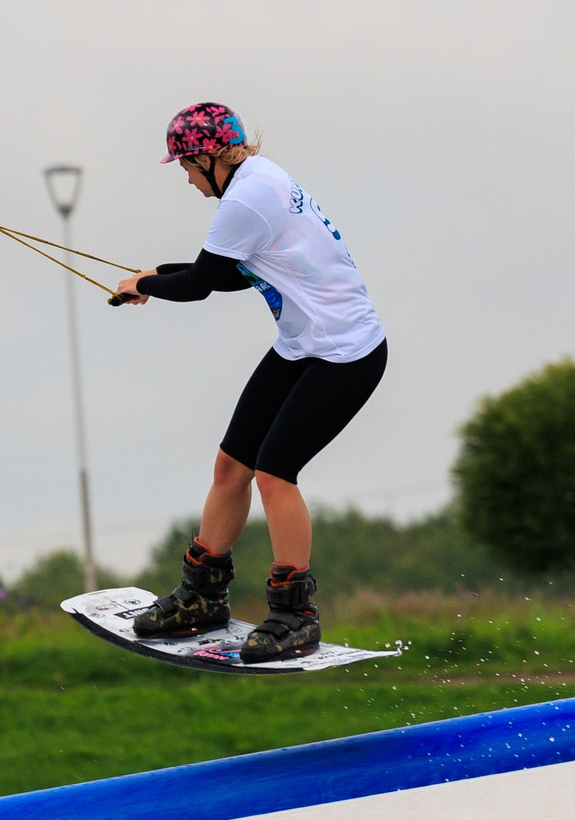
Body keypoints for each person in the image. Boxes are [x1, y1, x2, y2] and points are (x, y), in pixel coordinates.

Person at [112, 102, 387, 662]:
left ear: (213, 156)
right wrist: (156, 278)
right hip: (302, 345)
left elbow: (200, 285)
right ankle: (202, 596)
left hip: (346, 354)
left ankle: (294, 615)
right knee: (230, 466)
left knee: (274, 472)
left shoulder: (245, 197)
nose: (188, 179)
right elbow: (232, 273)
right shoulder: (259, 180)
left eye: (188, 166)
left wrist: (147, 281)